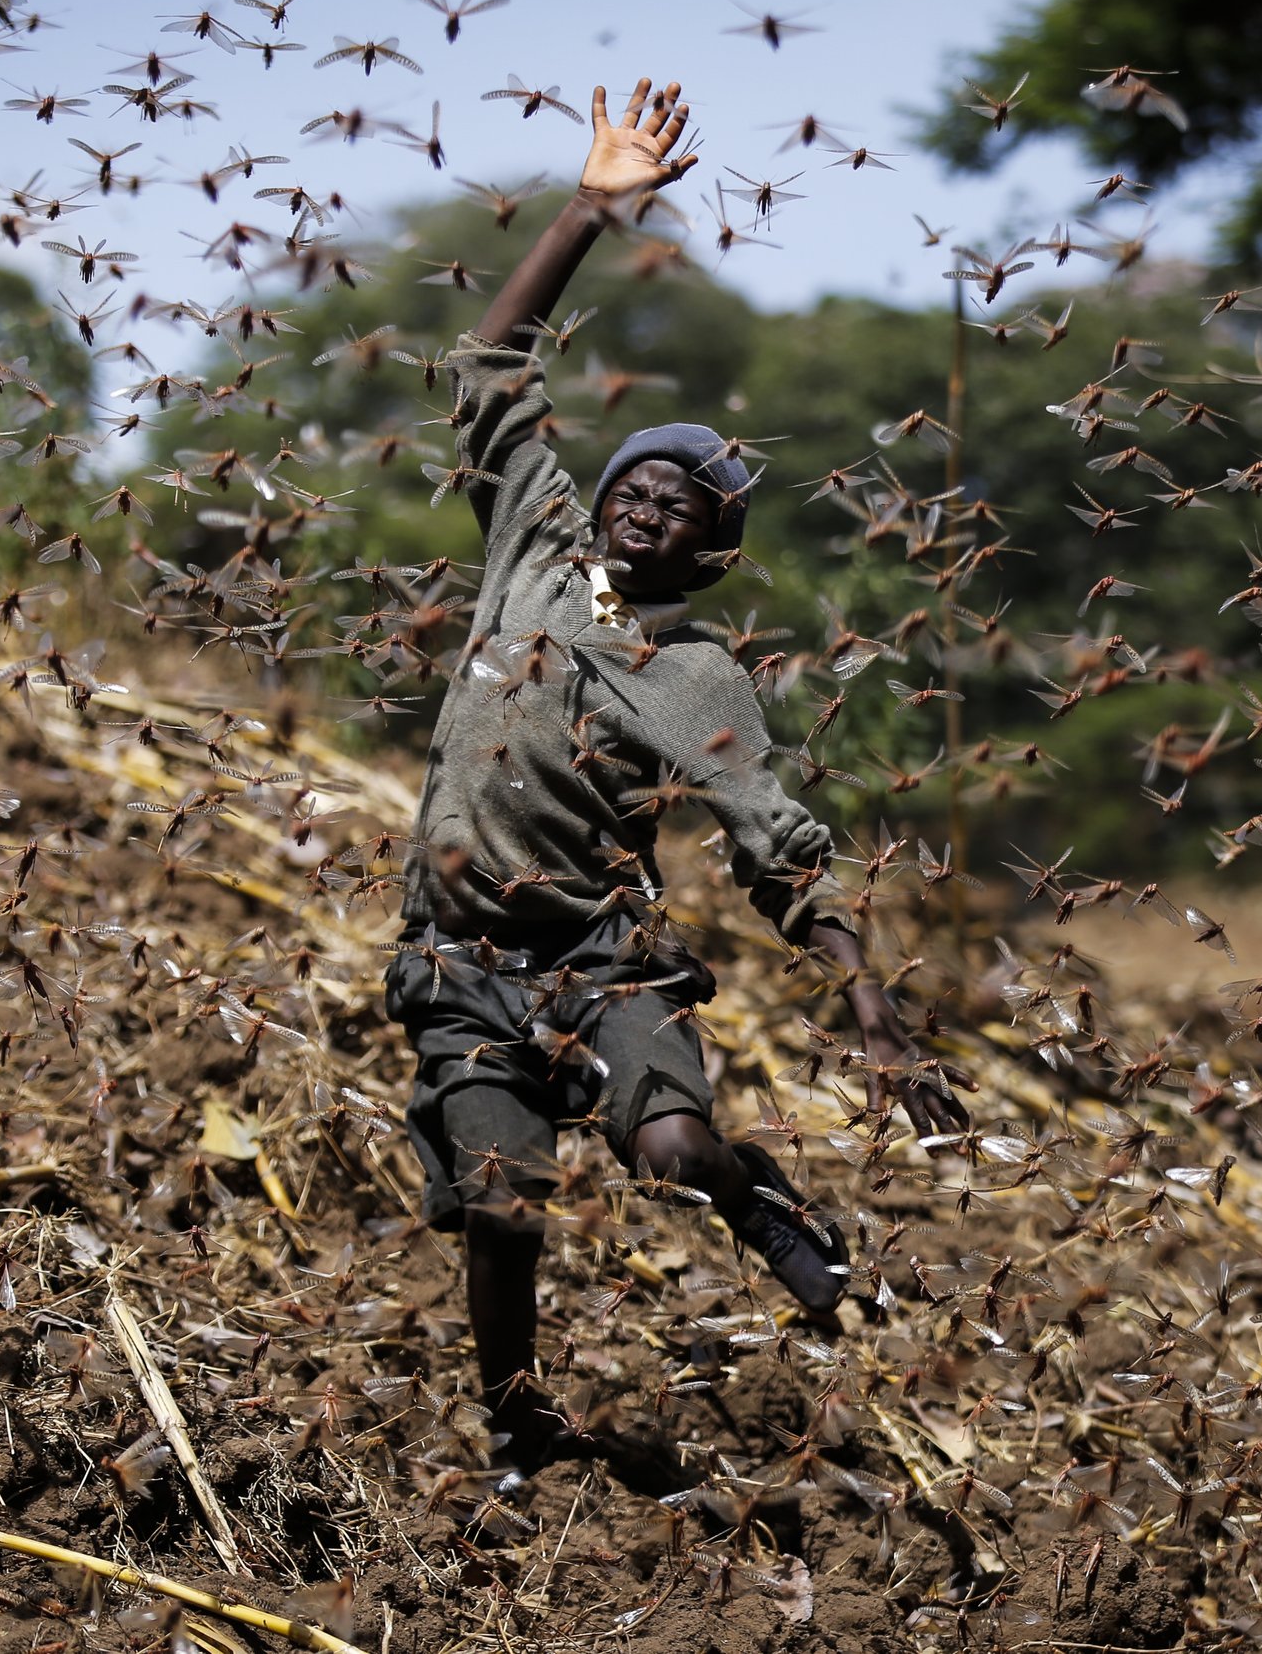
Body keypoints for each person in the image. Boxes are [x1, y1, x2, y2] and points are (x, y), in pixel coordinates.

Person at [381, 78, 967, 1474]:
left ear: (707, 552)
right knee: (504, 1200)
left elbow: (778, 844)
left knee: (674, 1153)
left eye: (681, 507)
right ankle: (520, 1417)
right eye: (636, 485)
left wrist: (872, 1010)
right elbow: (489, 362)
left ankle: (750, 1197)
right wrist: (592, 207)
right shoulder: (530, 547)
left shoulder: (699, 676)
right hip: (460, 956)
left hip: (604, 957)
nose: (645, 506)